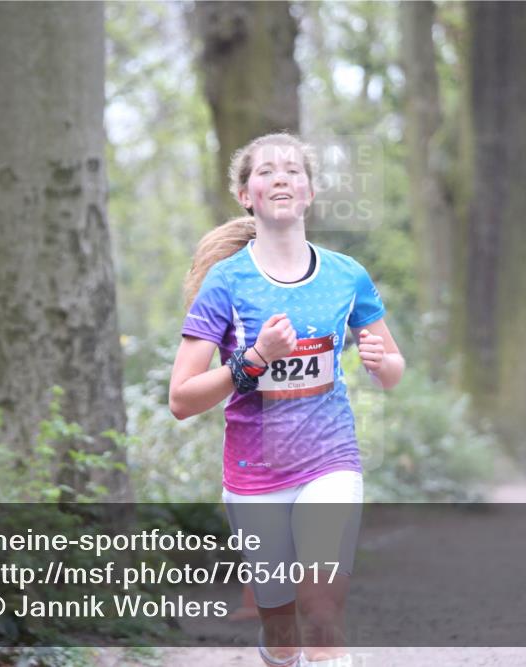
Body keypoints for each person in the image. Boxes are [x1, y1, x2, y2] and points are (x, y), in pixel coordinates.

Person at [169, 132, 405, 667]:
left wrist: (379, 362)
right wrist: (254, 358)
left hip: (330, 460)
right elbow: (181, 399)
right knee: (282, 632)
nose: (281, 177)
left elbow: (392, 371)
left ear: (310, 192)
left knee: (322, 613)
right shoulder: (225, 285)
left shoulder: (347, 275)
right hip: (254, 473)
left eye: (294, 170)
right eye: (266, 171)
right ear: (245, 194)